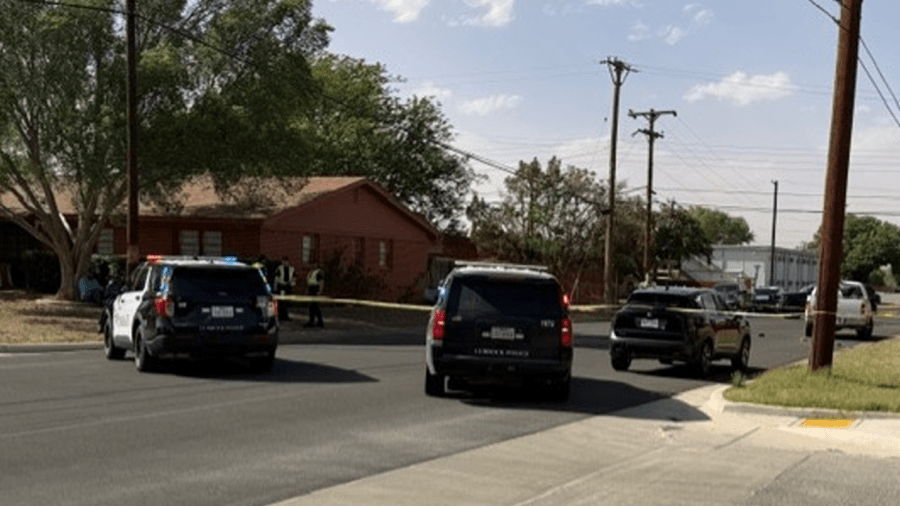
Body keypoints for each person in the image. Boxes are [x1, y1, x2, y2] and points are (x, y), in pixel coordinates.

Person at [274, 257, 295, 321]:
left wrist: (292, 285)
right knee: (281, 302)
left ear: (288, 262)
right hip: (281, 286)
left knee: (287, 302)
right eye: (283, 261)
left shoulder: (292, 269)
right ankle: (280, 316)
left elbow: (294, 278)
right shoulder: (279, 268)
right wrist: (276, 287)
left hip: (288, 286)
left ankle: (286, 316)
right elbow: (276, 278)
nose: (284, 263)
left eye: (285, 261)